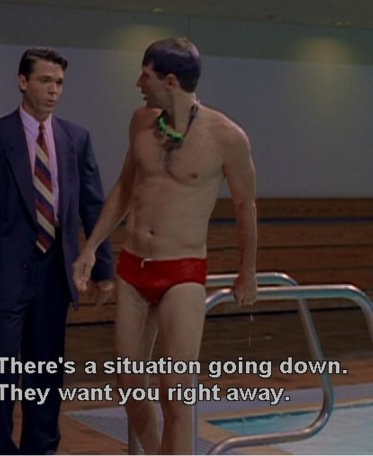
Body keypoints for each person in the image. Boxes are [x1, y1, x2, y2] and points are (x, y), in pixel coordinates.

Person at [72, 37, 258, 454]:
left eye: (146, 75)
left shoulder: (226, 136)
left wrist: (247, 272)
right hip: (134, 267)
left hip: (182, 271)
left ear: (170, 81)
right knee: (129, 385)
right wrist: (90, 247)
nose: (139, 83)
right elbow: (124, 188)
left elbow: (245, 207)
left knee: (176, 392)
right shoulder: (141, 122)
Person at [0, 47, 115, 455]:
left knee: (47, 372)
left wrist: (103, 269)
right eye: (45, 80)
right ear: (23, 82)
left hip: (55, 274)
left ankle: (41, 450)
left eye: (59, 83)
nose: (53, 90)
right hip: (4, 276)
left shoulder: (76, 139)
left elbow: (94, 206)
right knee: (3, 372)